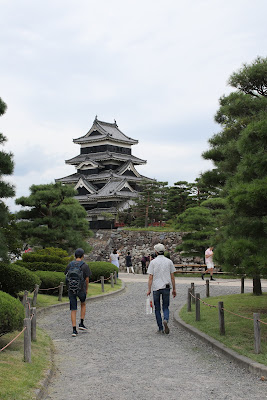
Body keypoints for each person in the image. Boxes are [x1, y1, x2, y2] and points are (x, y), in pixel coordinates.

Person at [147, 243, 176, 334]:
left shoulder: (153, 262)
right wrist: (174, 289)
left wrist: (149, 289)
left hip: (156, 287)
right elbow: (172, 277)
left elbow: (150, 277)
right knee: (166, 306)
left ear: (156, 252)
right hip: (167, 286)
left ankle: (160, 328)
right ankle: (166, 319)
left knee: (157, 308)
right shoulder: (169, 261)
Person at [65, 248, 92, 337]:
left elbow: (66, 275)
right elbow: (87, 279)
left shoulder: (70, 265)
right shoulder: (85, 265)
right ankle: (81, 323)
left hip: (71, 289)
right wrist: (86, 289)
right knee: (83, 304)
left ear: (75, 255)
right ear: (83, 256)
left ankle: (74, 329)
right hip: (81, 288)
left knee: (73, 309)